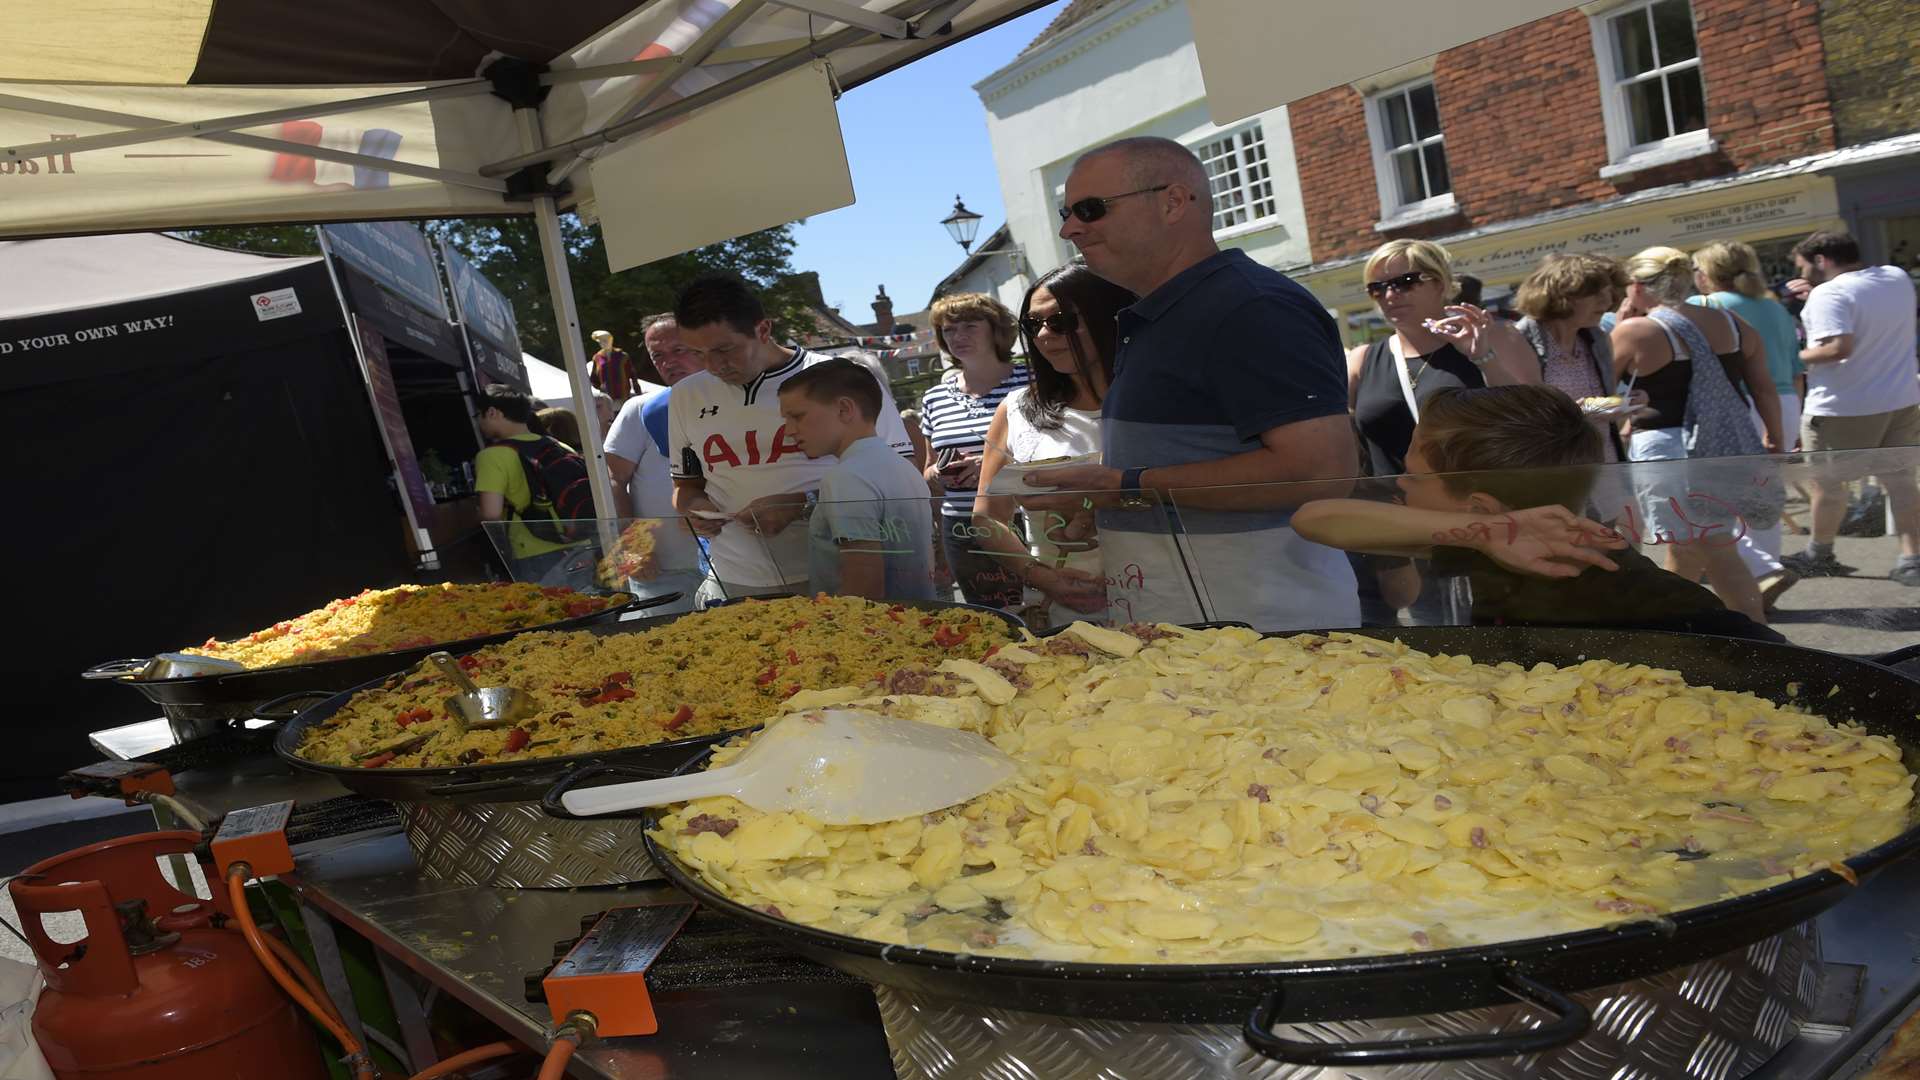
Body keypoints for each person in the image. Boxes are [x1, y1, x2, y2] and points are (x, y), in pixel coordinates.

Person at [1032, 136, 1360, 630]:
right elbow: (1190, 457)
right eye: (1067, 211)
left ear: (1174, 202)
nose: (1069, 228)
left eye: (1091, 209)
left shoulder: (1250, 306)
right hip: (1204, 636)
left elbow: (1321, 470)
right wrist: (1107, 499)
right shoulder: (1166, 313)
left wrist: (1126, 486)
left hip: (1264, 638)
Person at [1293, 386, 1784, 643]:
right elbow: (1316, 519)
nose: (1400, 484)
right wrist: (1488, 532)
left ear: (1480, 505)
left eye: (1414, 476)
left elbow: (1755, 648)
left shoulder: (1597, 574)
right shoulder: (1484, 537)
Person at [668, 275, 914, 603]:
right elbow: (685, 487)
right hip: (734, 579)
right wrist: (693, 510)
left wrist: (803, 502)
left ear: (763, 330)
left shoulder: (843, 379)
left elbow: (901, 473)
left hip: (839, 572)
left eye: (724, 350)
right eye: (698, 354)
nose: (713, 366)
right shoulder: (686, 395)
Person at [1611, 246, 1784, 623]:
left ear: (1639, 286)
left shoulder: (1636, 330)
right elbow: (1763, 388)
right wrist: (1776, 439)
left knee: (1694, 547)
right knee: (1710, 544)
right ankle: (1750, 635)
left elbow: (1602, 390)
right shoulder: (1734, 324)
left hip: (1666, 448)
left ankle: (1671, 634)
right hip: (1725, 444)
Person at [972, 264, 1136, 624]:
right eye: (1033, 325)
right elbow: (986, 518)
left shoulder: (1157, 404)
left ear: (1106, 319)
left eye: (1061, 321)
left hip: (1162, 603)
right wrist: (1043, 578)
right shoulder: (1016, 410)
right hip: (1062, 614)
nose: (1044, 335)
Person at [1777, 231, 1920, 589]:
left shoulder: (1830, 293)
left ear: (1822, 260)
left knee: (1828, 486)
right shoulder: (1895, 277)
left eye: (1805, 266)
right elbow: (1867, 312)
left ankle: (1819, 553)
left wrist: (1789, 358)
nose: (1805, 273)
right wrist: (1818, 299)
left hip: (1844, 406)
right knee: (1901, 483)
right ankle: (1912, 559)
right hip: (1900, 398)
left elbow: (1838, 348)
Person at [1350, 239, 1540, 479]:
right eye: (1377, 288)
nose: (1390, 295)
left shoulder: (1496, 336)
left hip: (1478, 503)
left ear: (1440, 284)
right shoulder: (1362, 360)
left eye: (1405, 283)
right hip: (1395, 510)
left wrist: (1483, 358)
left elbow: (1535, 417)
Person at [1689, 240, 1809, 603]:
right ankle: (1764, 571)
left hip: (1739, 404)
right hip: (1785, 401)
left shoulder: (1703, 306)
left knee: (1721, 496)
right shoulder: (1773, 309)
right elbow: (1797, 369)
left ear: (1706, 273)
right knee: (1764, 497)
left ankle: (1759, 572)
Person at [778, 359, 935, 601]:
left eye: (797, 416)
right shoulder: (903, 466)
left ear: (844, 409)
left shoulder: (847, 476)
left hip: (871, 631)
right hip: (913, 620)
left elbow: (863, 586)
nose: (788, 430)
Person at [917, 292, 1031, 608]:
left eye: (969, 326)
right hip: (960, 526)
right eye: (949, 330)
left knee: (1042, 611)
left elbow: (1055, 451)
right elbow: (927, 468)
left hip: (1023, 519)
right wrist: (938, 473)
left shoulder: (1032, 381)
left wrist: (992, 465)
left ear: (995, 329)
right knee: (989, 619)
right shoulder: (934, 398)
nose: (958, 336)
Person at [606, 312, 707, 614]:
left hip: (732, 565)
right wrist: (633, 547)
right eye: (657, 355)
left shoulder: (740, 403)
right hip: (660, 573)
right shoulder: (641, 408)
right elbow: (612, 481)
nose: (668, 362)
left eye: (679, 350)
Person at [473, 385, 590, 586]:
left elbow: (491, 515)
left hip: (535, 553)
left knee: (550, 611)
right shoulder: (559, 445)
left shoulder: (492, 456)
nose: (478, 421)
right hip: (583, 545)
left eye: (479, 415)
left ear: (492, 412)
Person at [589, 329, 645, 402]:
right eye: (600, 341)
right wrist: (602, 388)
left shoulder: (623, 356)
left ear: (611, 340)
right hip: (607, 399)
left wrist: (638, 393)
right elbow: (593, 378)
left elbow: (633, 375)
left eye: (605, 340)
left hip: (623, 397)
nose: (603, 343)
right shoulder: (597, 358)